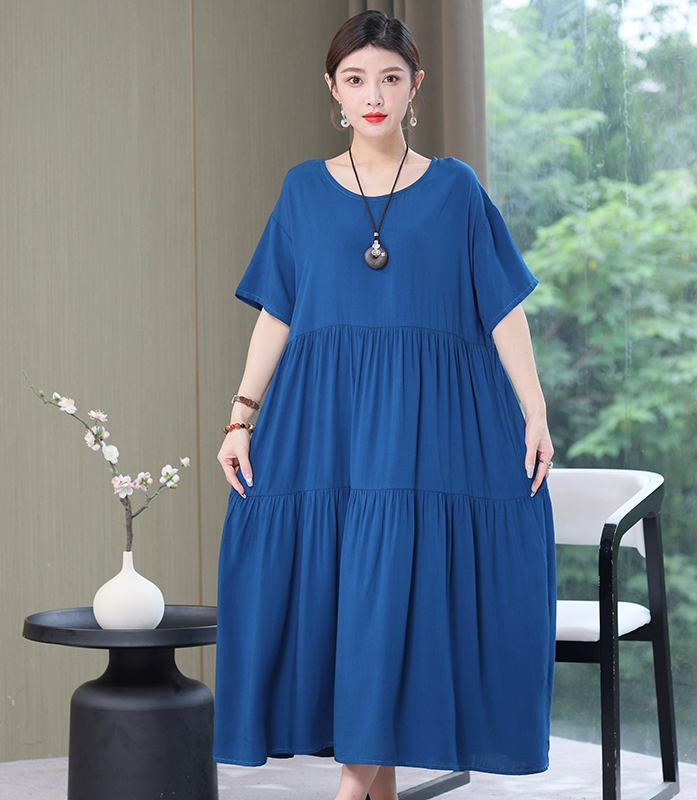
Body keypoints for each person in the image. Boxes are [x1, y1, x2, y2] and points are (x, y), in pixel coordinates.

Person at [215, 11, 555, 800]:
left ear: (415, 87)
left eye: (390, 78)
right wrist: (240, 417)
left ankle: (349, 791)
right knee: (357, 593)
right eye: (357, 78)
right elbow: (277, 312)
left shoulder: (457, 189)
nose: (374, 95)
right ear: (333, 90)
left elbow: (503, 307)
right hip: (325, 422)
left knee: (396, 588)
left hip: (435, 426)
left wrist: (535, 410)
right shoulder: (302, 190)